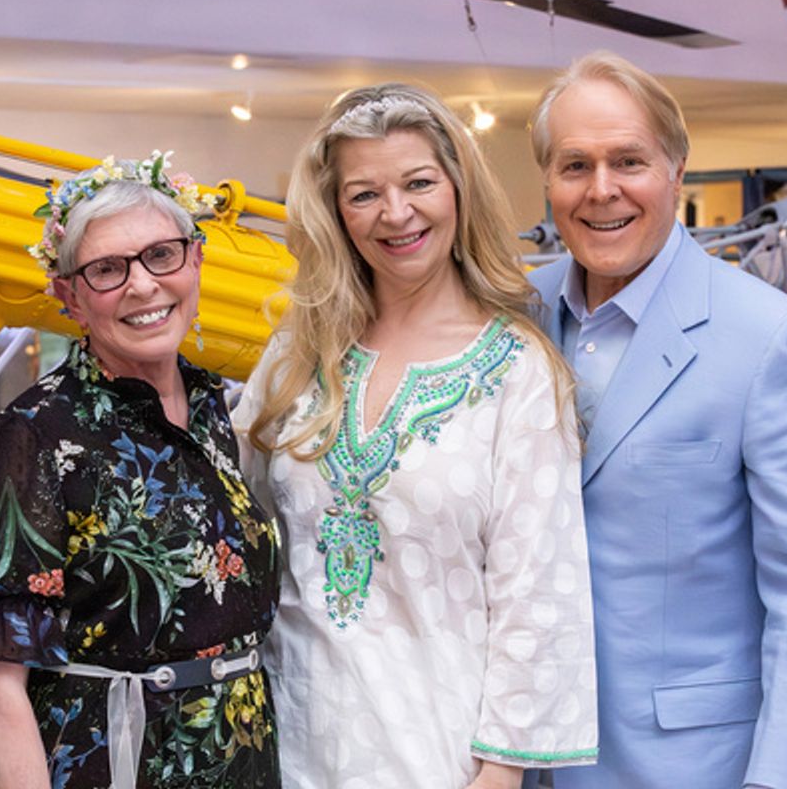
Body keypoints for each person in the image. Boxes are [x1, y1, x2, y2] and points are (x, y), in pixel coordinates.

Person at [232, 83, 597, 789]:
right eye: (364, 194)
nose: (395, 213)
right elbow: (234, 521)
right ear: (336, 211)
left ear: (458, 188)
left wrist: (501, 772)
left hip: (440, 756)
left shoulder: (519, 370)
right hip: (286, 748)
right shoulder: (297, 355)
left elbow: (539, 592)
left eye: (419, 183)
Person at [525, 51, 787, 788]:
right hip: (523, 761)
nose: (601, 190)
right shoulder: (514, 316)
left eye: (628, 161)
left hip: (693, 767)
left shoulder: (771, 339)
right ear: (547, 180)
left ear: (676, 169)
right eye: (575, 166)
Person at [0, 152, 282, 789]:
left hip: (243, 761)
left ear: (196, 261)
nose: (142, 285)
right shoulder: (36, 434)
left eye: (161, 255)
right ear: (68, 296)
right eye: (107, 269)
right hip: (116, 762)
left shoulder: (212, 407)